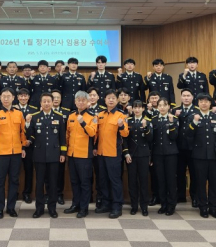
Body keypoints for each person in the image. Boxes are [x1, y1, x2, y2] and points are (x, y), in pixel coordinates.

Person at [186, 93, 216, 219]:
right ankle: (203, 207)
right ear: (198, 103)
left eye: (206, 101)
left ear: (210, 103)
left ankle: (213, 207)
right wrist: (194, 122)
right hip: (199, 156)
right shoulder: (192, 117)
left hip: (215, 156)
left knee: (214, 183)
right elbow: (188, 135)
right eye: (201, 101)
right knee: (200, 183)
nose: (204, 103)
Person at [26, 93, 66, 218]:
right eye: (44, 101)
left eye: (49, 101)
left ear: (53, 102)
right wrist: (27, 124)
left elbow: (62, 137)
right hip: (39, 155)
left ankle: (52, 208)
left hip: (54, 155)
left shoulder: (59, 117)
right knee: (39, 183)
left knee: (53, 183)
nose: (47, 103)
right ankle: (39, 208)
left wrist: (63, 153)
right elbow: (30, 135)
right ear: (40, 103)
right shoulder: (34, 117)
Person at [0, 87, 28, 219]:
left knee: (14, 180)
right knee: (0, 181)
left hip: (16, 152)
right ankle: (0, 208)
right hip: (1, 152)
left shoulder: (19, 113)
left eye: (8, 96)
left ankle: (11, 207)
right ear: (0, 98)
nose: (6, 99)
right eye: (3, 96)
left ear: (13, 98)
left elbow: (22, 132)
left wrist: (23, 147)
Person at [94, 89, 129, 219]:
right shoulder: (100, 115)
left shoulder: (121, 115)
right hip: (101, 153)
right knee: (103, 180)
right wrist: (94, 147)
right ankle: (106, 204)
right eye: (108, 98)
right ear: (104, 100)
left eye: (113, 98)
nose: (111, 100)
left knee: (115, 180)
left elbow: (125, 133)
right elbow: (96, 134)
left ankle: (117, 206)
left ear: (117, 100)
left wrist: (121, 126)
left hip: (114, 153)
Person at [64, 91, 98, 218]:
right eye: (79, 100)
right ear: (75, 102)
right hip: (72, 154)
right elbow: (67, 135)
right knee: (74, 181)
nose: (81, 102)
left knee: (85, 183)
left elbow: (93, 133)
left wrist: (83, 122)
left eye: (84, 100)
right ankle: (75, 204)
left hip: (84, 155)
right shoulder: (71, 115)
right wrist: (65, 151)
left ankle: (84, 208)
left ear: (88, 102)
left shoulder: (93, 116)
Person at [123, 100, 153, 216]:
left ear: (143, 109)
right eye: (135, 107)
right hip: (131, 156)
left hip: (143, 155)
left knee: (143, 181)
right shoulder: (128, 121)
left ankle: (144, 206)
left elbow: (150, 139)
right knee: (132, 181)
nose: (137, 110)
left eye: (139, 107)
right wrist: (126, 153)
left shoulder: (147, 121)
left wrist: (145, 128)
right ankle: (134, 205)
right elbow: (124, 139)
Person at [151, 97, 178, 215]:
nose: (162, 107)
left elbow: (174, 136)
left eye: (164, 105)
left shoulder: (174, 119)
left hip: (171, 153)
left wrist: (171, 124)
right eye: (160, 105)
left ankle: (171, 205)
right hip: (157, 154)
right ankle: (163, 204)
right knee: (160, 180)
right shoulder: (154, 119)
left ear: (169, 107)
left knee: (171, 180)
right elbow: (151, 139)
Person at [173, 89, 200, 206]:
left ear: (192, 97)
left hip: (193, 147)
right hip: (179, 147)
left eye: (188, 95)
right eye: (184, 96)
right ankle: (180, 195)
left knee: (194, 173)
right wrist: (175, 116)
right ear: (181, 97)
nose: (186, 98)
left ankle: (194, 197)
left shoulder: (197, 110)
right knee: (179, 173)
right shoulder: (175, 110)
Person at [16, 88, 37, 204]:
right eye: (21, 96)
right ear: (17, 97)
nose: (23, 98)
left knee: (29, 171)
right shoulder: (13, 109)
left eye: (25, 96)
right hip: (15, 145)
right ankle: (14, 192)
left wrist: (30, 140)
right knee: (14, 171)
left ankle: (27, 193)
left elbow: (35, 129)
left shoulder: (33, 110)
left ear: (28, 97)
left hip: (29, 146)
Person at [50, 89, 71, 205]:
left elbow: (66, 133)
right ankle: (49, 194)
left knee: (60, 173)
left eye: (58, 97)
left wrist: (63, 151)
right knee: (48, 173)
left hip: (60, 147)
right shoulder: (44, 112)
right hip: (48, 147)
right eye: (54, 97)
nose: (56, 99)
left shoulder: (66, 112)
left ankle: (59, 194)